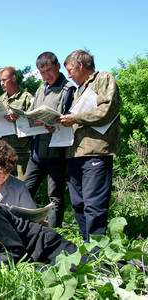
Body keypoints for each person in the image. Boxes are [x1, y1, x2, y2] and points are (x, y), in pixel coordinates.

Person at [60, 50, 120, 241]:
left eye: (70, 70)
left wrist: (76, 117)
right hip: (74, 153)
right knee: (78, 203)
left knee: (94, 204)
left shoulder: (103, 78)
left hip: (95, 152)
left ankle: (98, 251)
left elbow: (108, 110)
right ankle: (87, 246)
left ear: (80, 65)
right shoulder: (75, 90)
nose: (68, 75)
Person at [23, 52, 75, 228]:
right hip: (37, 151)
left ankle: (54, 233)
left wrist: (56, 125)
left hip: (57, 152)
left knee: (55, 195)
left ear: (58, 66)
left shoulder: (69, 89)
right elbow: (31, 114)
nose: (47, 75)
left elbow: (72, 120)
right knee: (24, 190)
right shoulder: (40, 89)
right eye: (42, 72)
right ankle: (27, 227)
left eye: (49, 70)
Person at [0, 66, 33, 179]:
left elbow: (35, 120)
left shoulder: (27, 98)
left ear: (13, 78)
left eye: (4, 80)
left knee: (22, 185)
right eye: (0, 81)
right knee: (4, 183)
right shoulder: (0, 100)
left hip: (21, 150)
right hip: (3, 149)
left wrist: (19, 117)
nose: (2, 83)